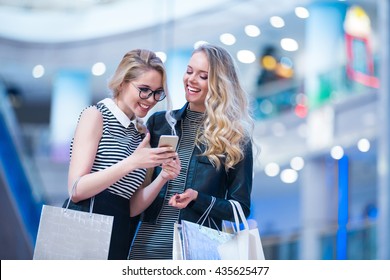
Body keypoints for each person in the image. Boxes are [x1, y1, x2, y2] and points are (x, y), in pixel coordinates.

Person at [129, 43, 254, 259]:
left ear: (219, 84)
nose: (191, 80)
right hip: (146, 246)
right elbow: (137, 187)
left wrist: (198, 199)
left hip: (195, 252)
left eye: (203, 76)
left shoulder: (235, 138)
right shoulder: (159, 124)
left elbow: (240, 209)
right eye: (189, 71)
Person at [65, 49, 181, 260]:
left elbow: (131, 207)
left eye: (157, 92)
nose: (151, 99)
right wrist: (131, 163)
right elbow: (76, 189)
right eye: (144, 89)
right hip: (84, 228)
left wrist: (163, 177)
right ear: (122, 83)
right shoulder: (96, 115)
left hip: (119, 230)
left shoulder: (141, 134)